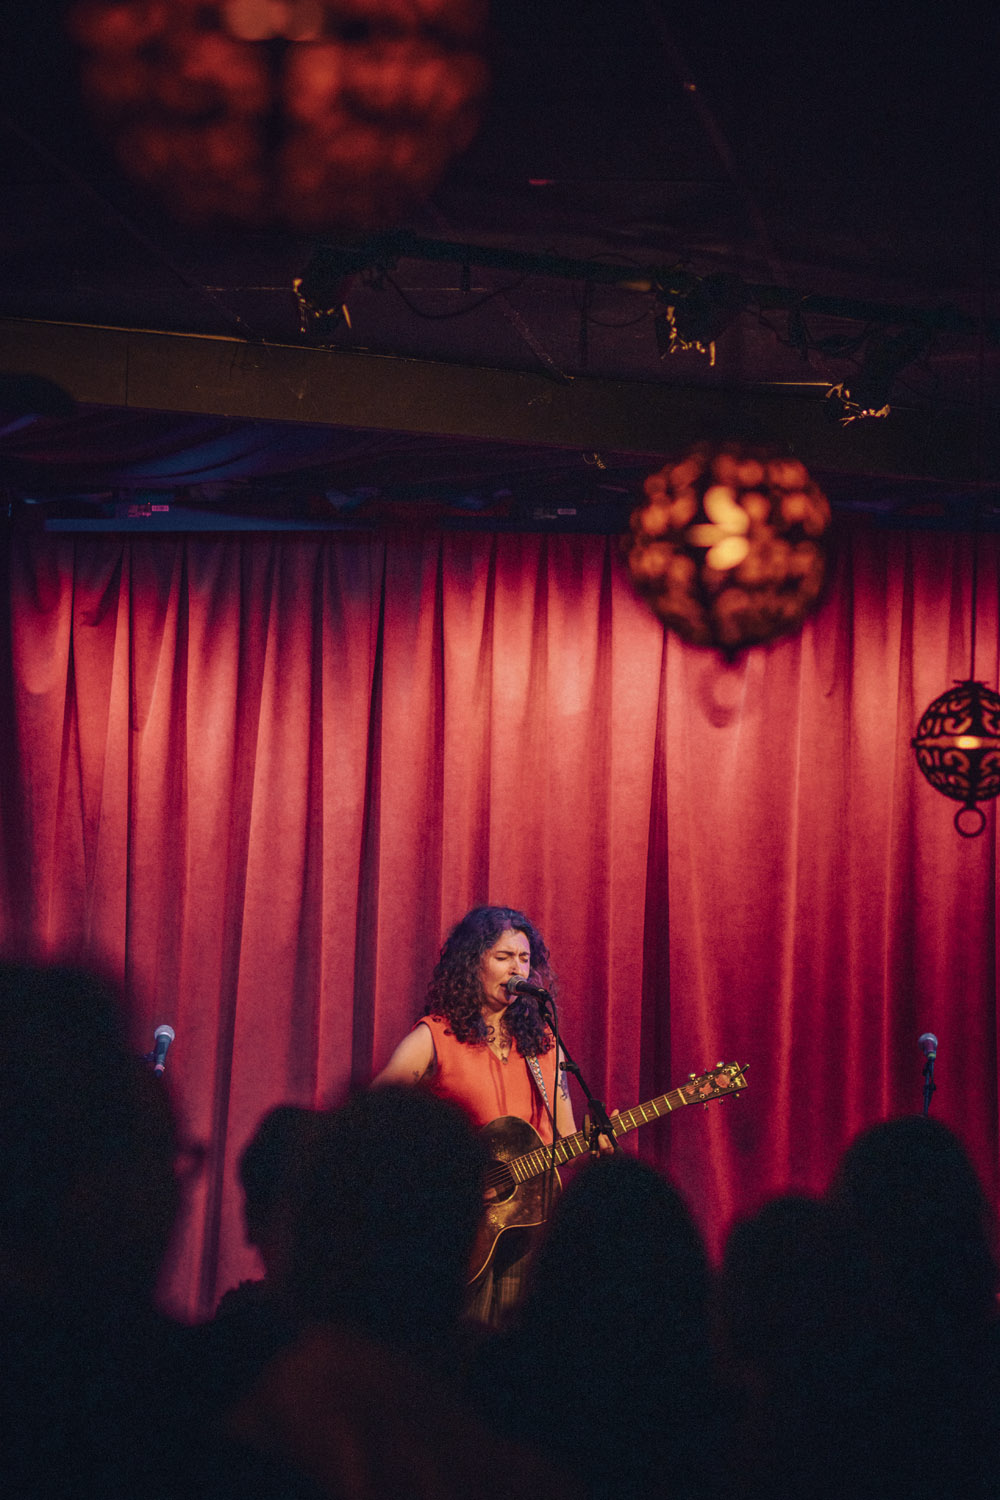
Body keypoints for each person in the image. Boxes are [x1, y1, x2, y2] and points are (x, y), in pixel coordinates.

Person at [372, 904, 608, 1326]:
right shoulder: (436, 1035)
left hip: (529, 1231)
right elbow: (372, 1116)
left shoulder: (543, 1043)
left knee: (517, 1349)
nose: (517, 968)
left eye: (524, 958)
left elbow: (566, 1142)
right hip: (459, 1228)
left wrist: (593, 1144)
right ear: (472, 963)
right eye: (503, 957)